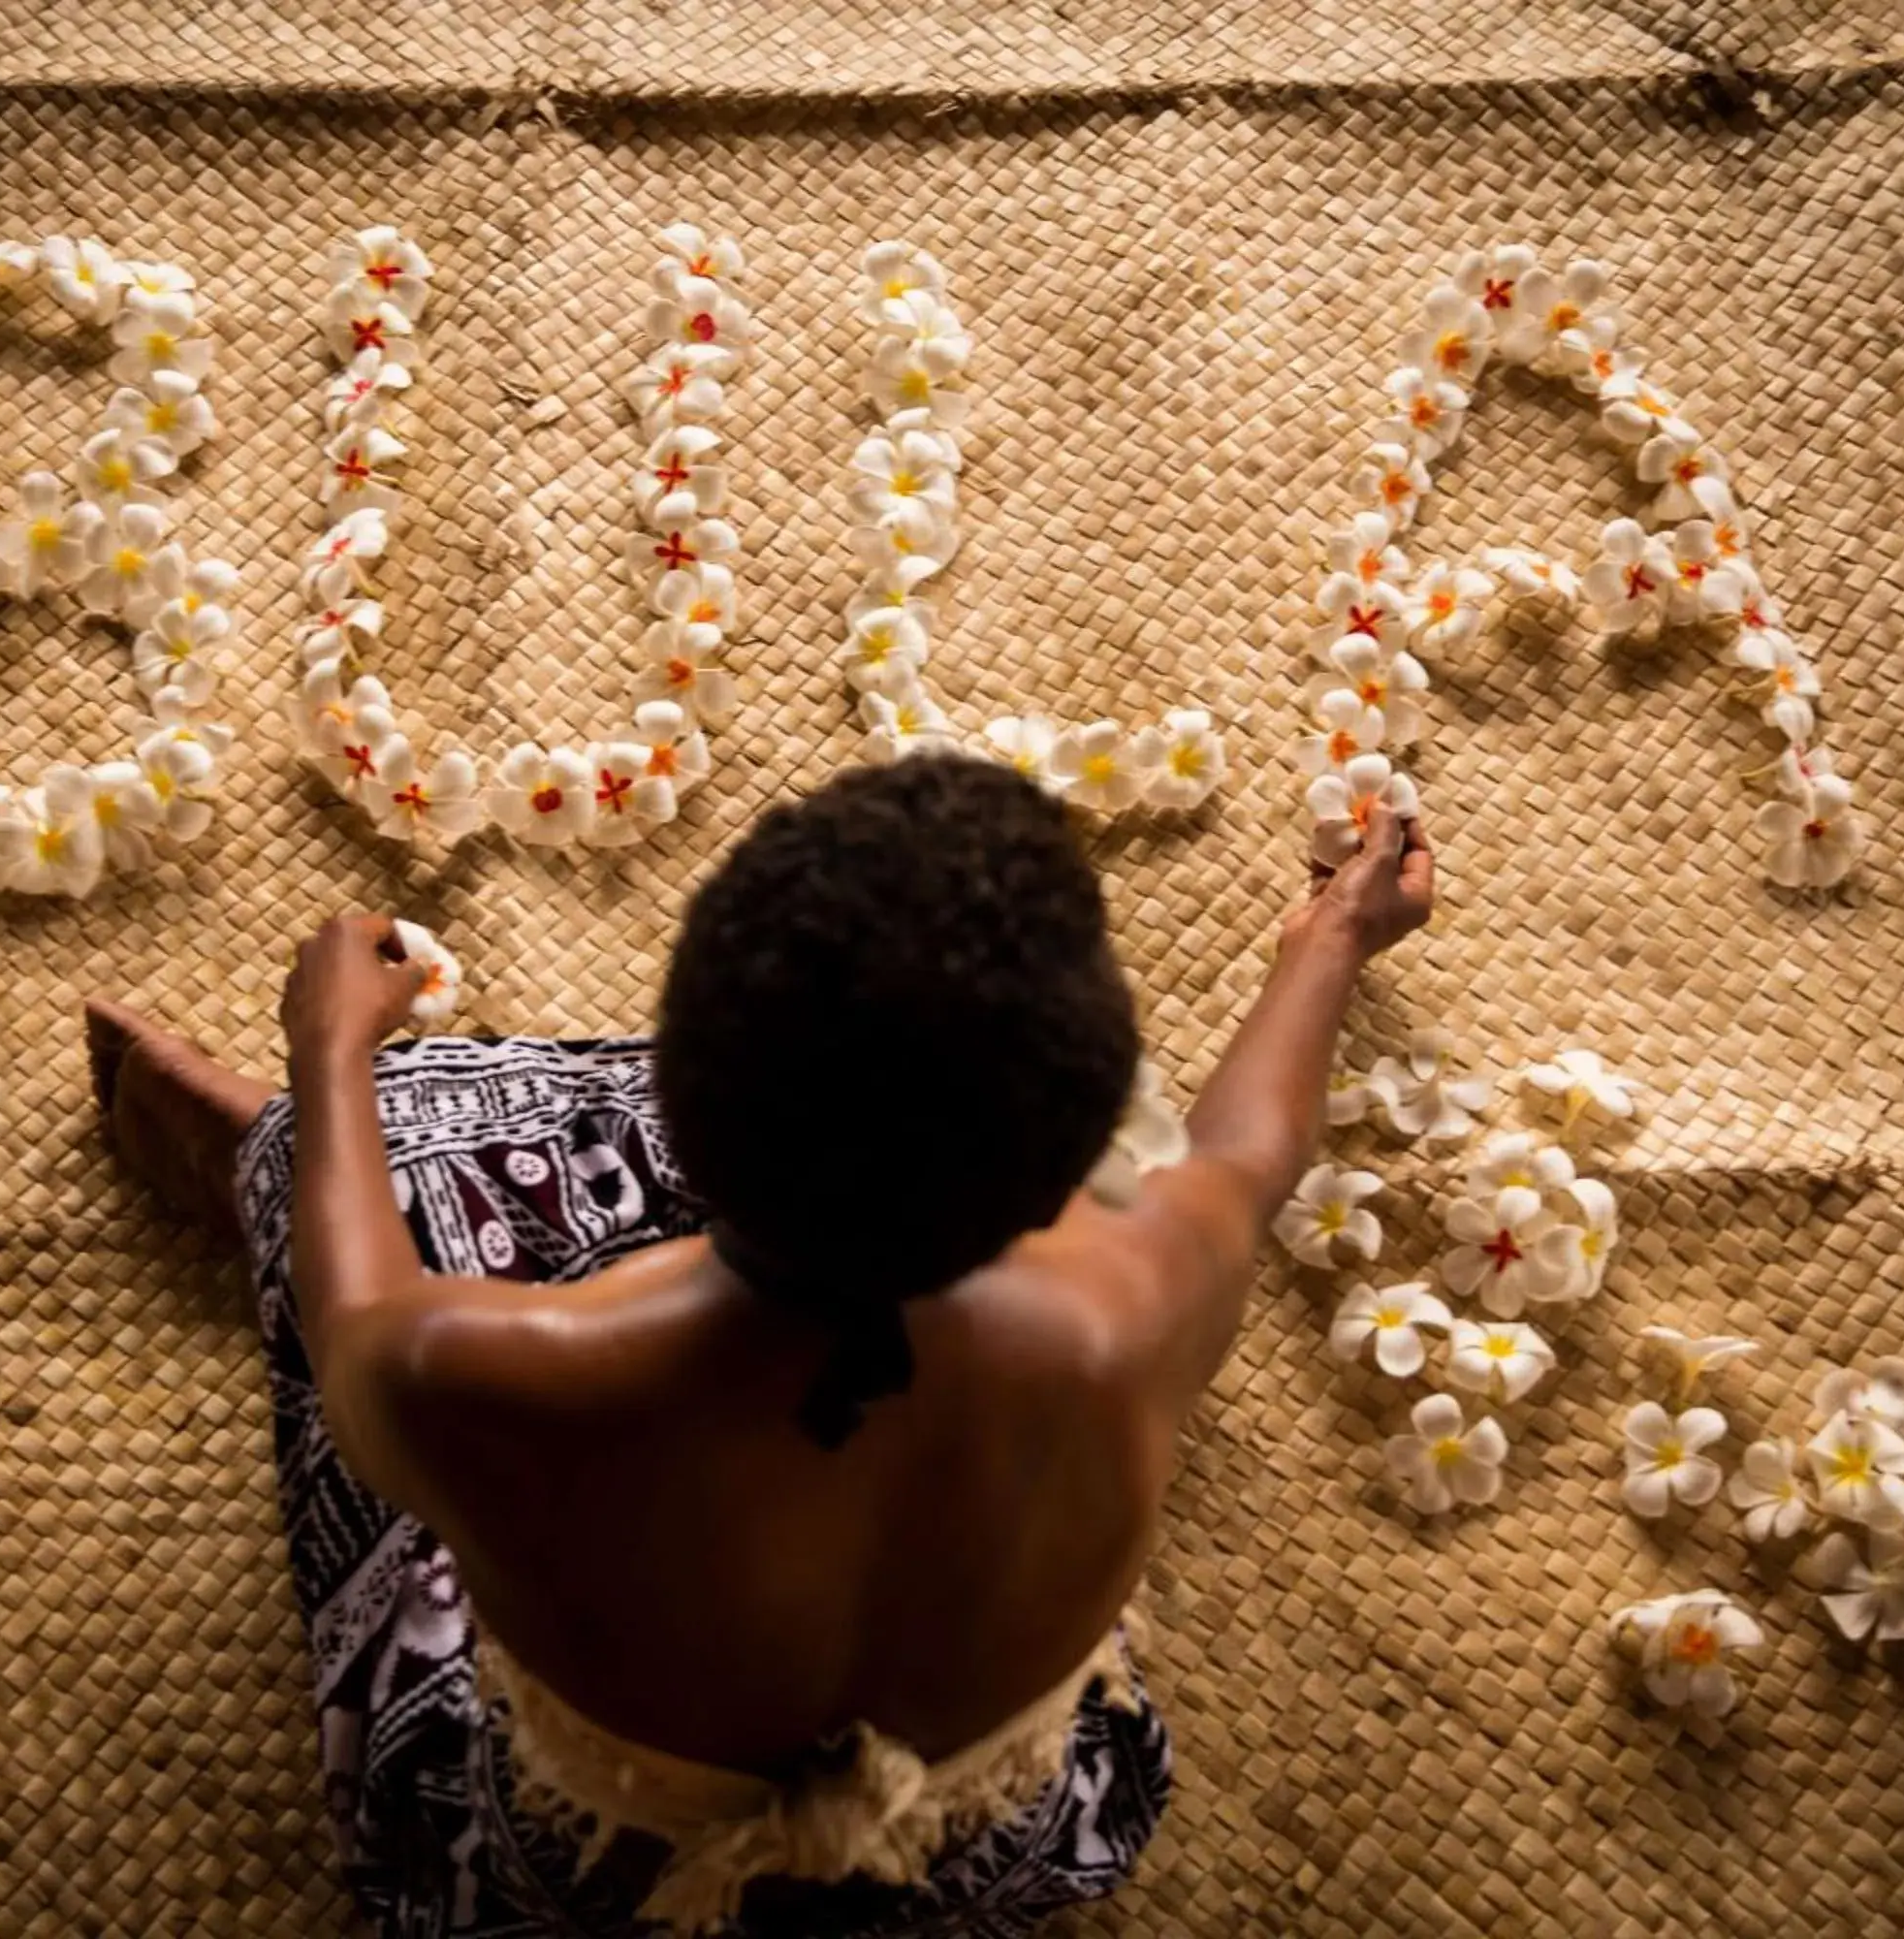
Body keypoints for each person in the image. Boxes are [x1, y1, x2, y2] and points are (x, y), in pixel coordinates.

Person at [85, 755, 1434, 1935]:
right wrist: (1332, 936)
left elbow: (353, 1321)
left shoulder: (488, 1376)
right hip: (988, 1846)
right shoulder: (1148, 1295)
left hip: (571, 1877)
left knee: (370, 1160)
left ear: (678, 1110)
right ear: (1072, 1162)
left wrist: (327, 1058)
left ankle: (265, 1159)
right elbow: (1249, 1147)